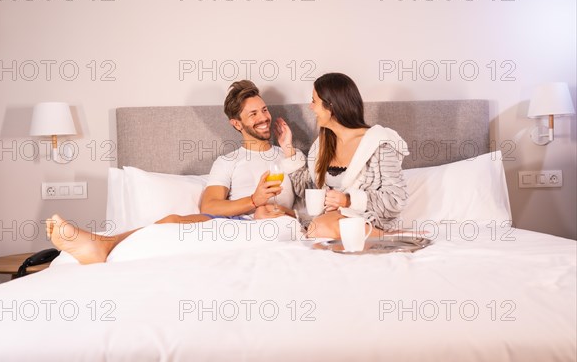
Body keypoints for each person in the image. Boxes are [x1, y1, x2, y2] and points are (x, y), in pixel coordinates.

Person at [47, 80, 305, 264]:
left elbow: (309, 204)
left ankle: (102, 245)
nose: (263, 117)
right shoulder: (228, 162)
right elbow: (210, 205)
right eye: (253, 114)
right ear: (236, 124)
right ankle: (104, 244)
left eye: (264, 110)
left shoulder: (290, 156)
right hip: (238, 225)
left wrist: (289, 156)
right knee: (171, 221)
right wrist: (253, 201)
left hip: (280, 225)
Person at [277, 72, 409, 238]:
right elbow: (311, 192)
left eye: (314, 101)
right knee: (266, 212)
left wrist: (348, 200)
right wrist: (288, 148)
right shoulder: (321, 146)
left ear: (330, 106)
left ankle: (388, 237)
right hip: (328, 219)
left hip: (368, 220)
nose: (311, 107)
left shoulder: (378, 143)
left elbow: (396, 199)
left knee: (320, 227)